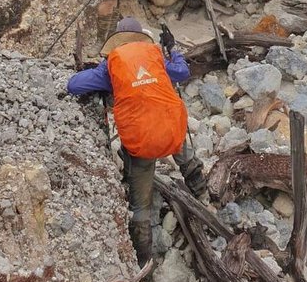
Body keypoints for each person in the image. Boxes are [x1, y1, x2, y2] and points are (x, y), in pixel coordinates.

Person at [67, 17, 206, 267]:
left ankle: (144, 264)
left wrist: (101, 73)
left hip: (142, 140)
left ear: (117, 42)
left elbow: (74, 85)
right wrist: (173, 50)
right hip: (171, 129)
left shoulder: (112, 63)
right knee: (176, 136)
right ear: (142, 38)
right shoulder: (155, 56)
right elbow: (183, 72)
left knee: (140, 206)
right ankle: (202, 195)